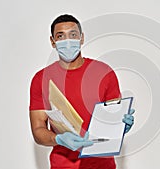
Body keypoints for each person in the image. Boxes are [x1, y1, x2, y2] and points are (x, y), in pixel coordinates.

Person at [29, 14, 135, 169]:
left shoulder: (103, 72)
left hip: (102, 165)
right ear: (52, 42)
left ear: (82, 38)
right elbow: (38, 130)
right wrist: (58, 139)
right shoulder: (41, 79)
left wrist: (120, 126)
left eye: (73, 35)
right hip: (63, 166)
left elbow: (113, 118)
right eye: (60, 36)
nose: (68, 41)